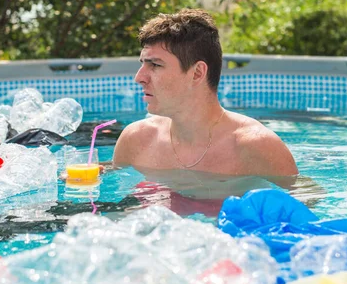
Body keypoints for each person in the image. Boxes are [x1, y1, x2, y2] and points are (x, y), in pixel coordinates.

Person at [113, 9, 299, 179]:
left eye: (155, 65)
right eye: (142, 63)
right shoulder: (135, 140)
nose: (139, 77)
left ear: (197, 73)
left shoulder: (256, 146)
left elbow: (305, 206)